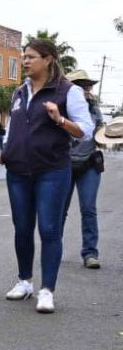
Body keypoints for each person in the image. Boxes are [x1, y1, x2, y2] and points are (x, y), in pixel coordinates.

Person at [1, 39, 93, 314]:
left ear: (48, 59)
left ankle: (47, 290)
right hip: (18, 171)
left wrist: (59, 119)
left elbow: (85, 131)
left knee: (49, 229)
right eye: (24, 57)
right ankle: (24, 281)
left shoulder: (68, 91)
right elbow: (12, 127)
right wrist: (6, 149)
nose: (25, 61)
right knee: (22, 228)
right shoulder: (20, 91)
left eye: (31, 57)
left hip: (52, 171)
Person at [61, 69, 104, 270]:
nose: (88, 89)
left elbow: (101, 137)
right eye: (83, 86)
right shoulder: (61, 109)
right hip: (64, 164)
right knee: (60, 210)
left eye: (89, 86)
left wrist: (109, 135)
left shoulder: (94, 110)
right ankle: (54, 250)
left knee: (88, 209)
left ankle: (90, 253)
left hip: (89, 164)